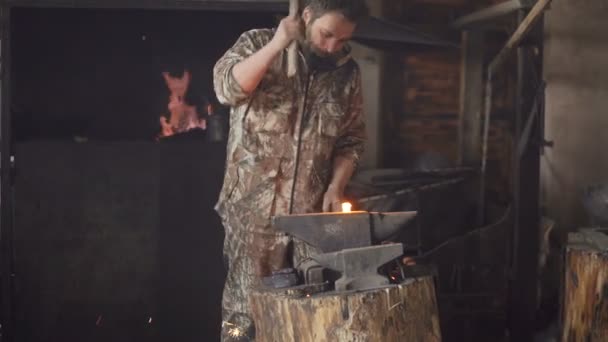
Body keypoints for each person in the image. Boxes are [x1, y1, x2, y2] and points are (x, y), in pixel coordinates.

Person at [212, 0, 368, 340]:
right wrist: (276, 45)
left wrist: (335, 188)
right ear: (307, 15)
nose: (332, 47)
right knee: (243, 316)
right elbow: (227, 89)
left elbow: (351, 142)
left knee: (311, 313)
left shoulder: (346, 73)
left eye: (342, 40)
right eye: (327, 35)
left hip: (310, 221)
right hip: (253, 216)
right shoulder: (257, 43)